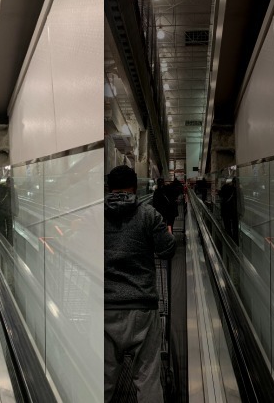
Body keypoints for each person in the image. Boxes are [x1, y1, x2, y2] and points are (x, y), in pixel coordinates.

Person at [104, 165, 175, 402]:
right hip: (142, 306)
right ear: (135, 187)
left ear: (108, 188)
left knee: (102, 380)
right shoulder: (148, 214)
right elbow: (167, 249)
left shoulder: (94, 215)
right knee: (148, 378)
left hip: (104, 307)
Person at [0, 177, 19, 244]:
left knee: (2, 227)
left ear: (6, 182)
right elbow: (16, 201)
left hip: (1, 211)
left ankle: (2, 243)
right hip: (10, 212)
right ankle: (9, 244)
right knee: (10, 229)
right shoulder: (13, 190)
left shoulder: (0, 187)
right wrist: (16, 212)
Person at [219, 178, 239, 244]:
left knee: (227, 227)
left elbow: (221, 198)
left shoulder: (223, 188)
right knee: (235, 228)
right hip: (233, 211)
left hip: (225, 210)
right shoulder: (235, 189)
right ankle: (236, 242)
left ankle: (228, 242)